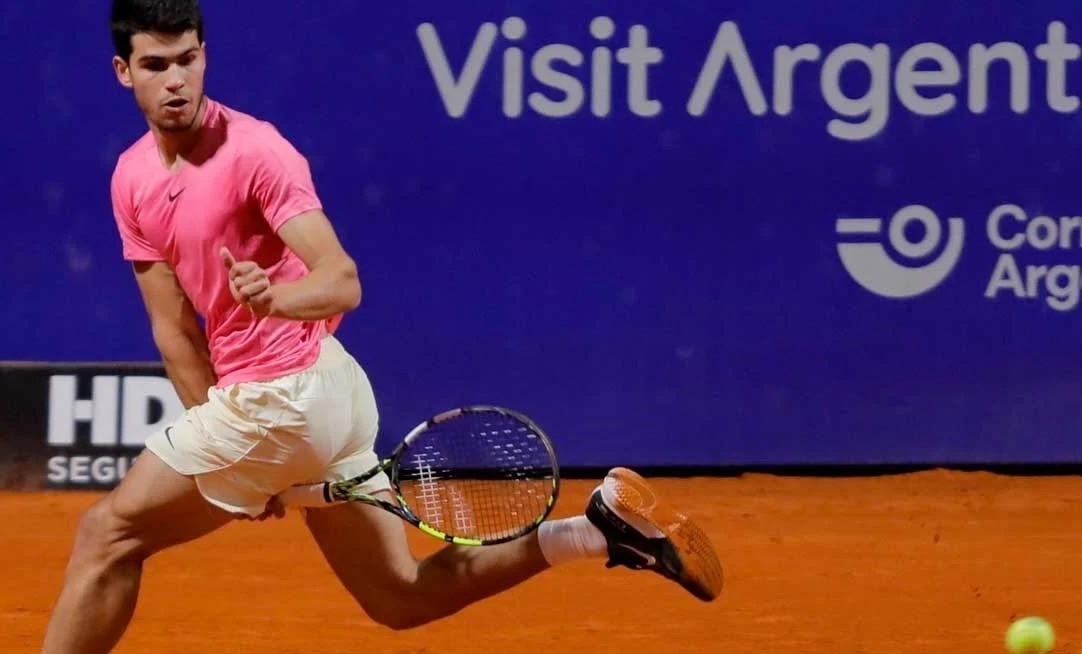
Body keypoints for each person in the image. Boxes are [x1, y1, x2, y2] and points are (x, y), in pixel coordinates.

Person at [41, 1, 724, 652]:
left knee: (108, 534)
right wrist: (241, 456)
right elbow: (175, 331)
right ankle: (597, 532)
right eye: (157, 65)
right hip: (300, 405)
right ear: (123, 71)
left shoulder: (257, 152)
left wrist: (274, 301)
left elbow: (342, 279)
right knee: (400, 596)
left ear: (205, 56)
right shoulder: (131, 177)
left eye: (188, 60)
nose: (177, 80)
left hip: (287, 395)